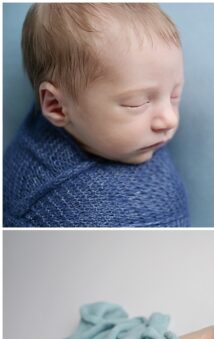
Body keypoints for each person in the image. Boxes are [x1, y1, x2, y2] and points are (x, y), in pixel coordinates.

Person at [4, 3, 188, 226]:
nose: (170, 119)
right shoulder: (65, 208)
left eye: (174, 96)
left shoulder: (101, 130)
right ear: (56, 106)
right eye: (136, 103)